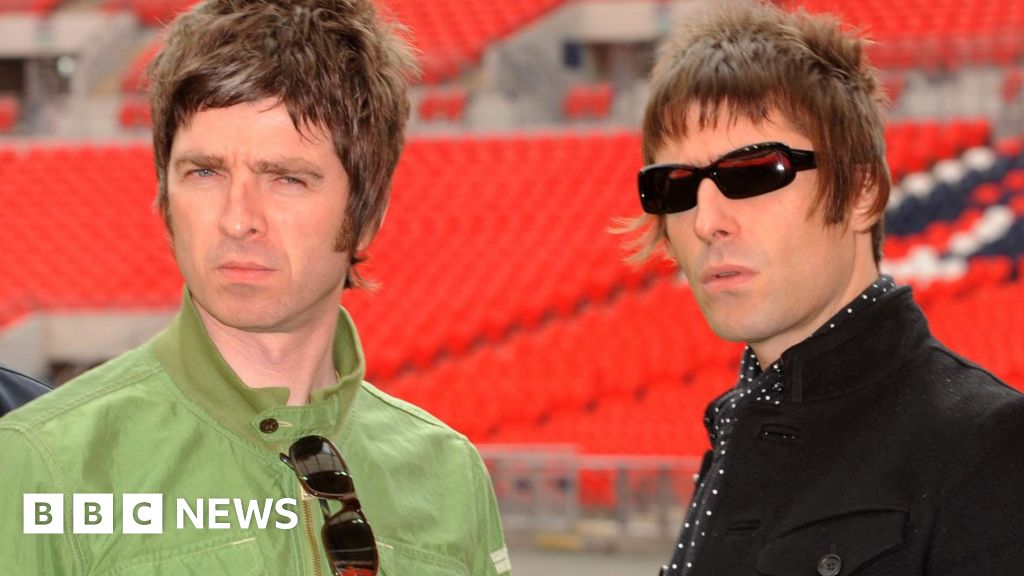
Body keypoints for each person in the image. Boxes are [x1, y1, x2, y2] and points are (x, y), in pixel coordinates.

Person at [0, 1, 510, 574]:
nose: (238, 218)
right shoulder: (47, 461)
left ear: (367, 212)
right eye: (205, 172)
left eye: (287, 179)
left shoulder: (449, 473)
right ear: (166, 198)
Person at [625, 1, 1024, 574]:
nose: (706, 219)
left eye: (754, 171)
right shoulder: (736, 433)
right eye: (675, 187)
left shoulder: (988, 444)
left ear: (862, 190)